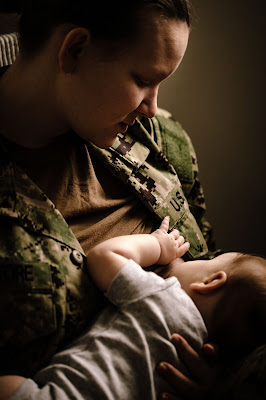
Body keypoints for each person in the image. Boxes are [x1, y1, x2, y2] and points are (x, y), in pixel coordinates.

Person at [0, 0, 221, 398]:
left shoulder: (163, 144)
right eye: (142, 80)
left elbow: (217, 274)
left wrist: (211, 373)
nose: (153, 108)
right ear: (75, 51)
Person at [2, 216, 266, 400]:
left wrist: (158, 246)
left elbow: (103, 256)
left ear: (210, 281)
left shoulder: (162, 296)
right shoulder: (199, 364)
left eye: (209, 261)